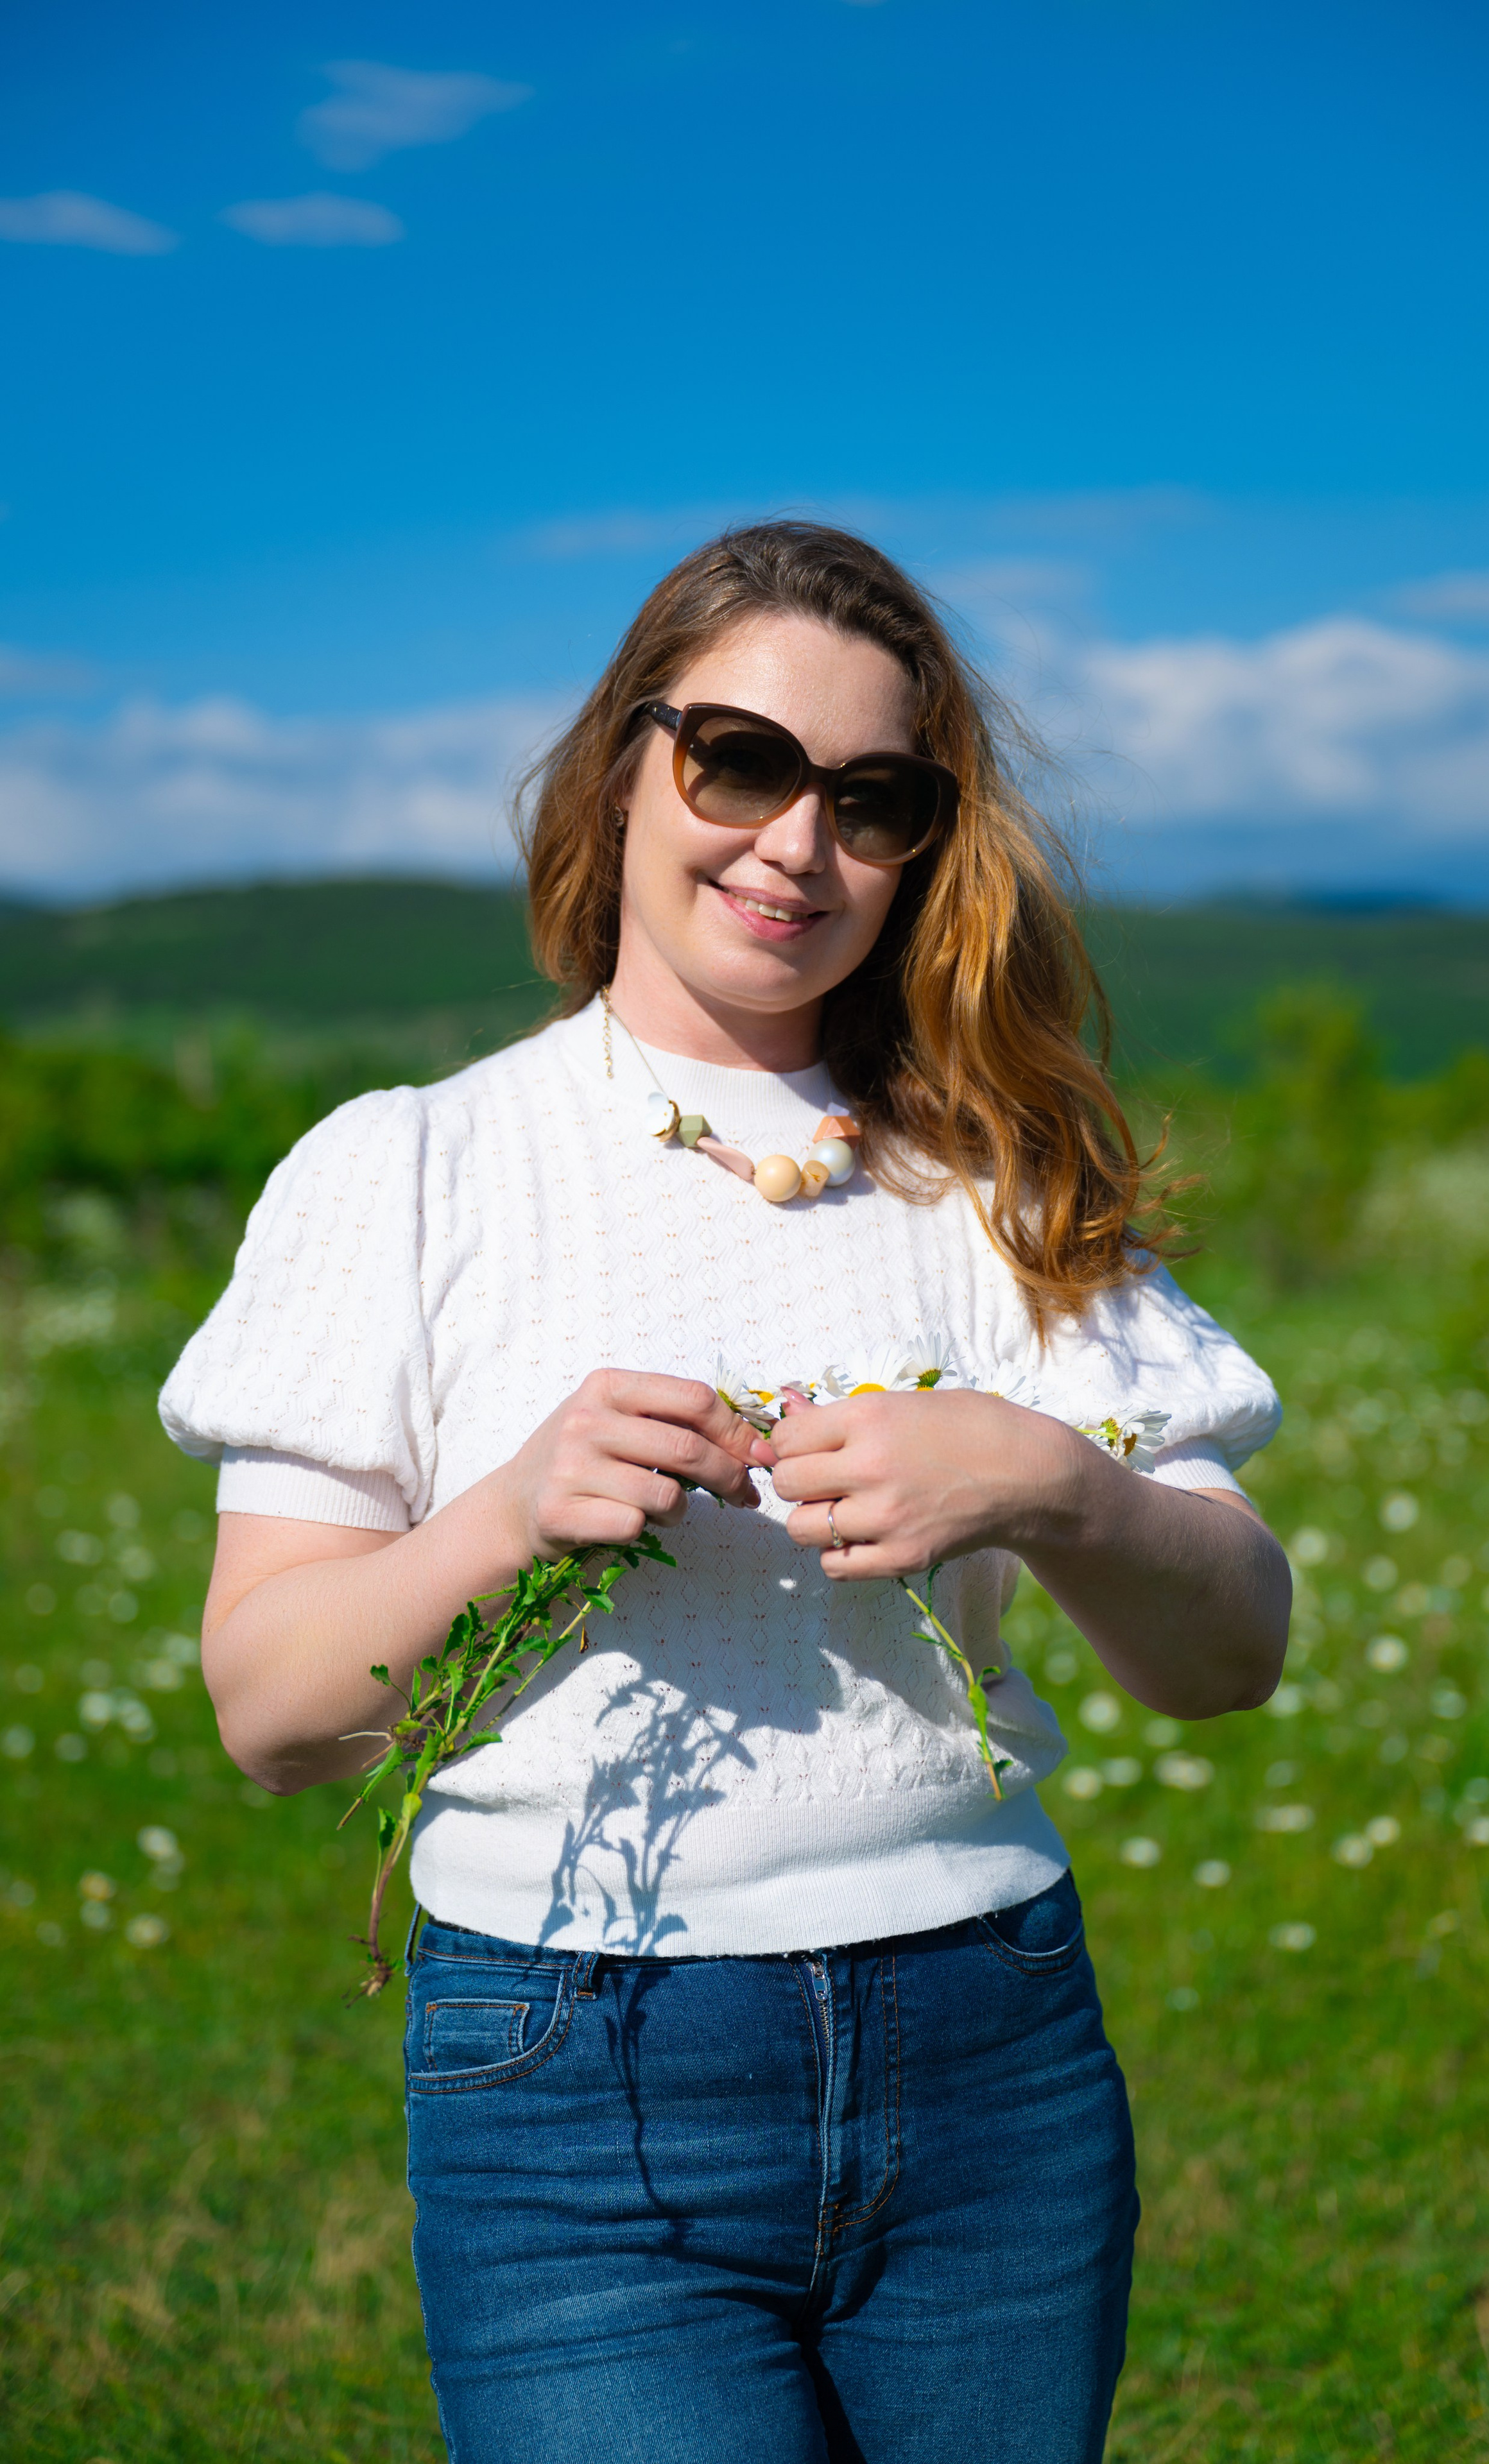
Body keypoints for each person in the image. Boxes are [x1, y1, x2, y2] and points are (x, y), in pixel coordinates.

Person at [160, 521, 1289, 2464]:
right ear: (626, 760)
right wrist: (507, 1513)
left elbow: (1230, 1655)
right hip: (570, 2064)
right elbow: (272, 1716)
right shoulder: (406, 1173)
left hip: (991, 2056)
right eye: (738, 761)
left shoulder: (1002, 1187)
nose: (795, 844)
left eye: (873, 799)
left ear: (928, 843)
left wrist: (1047, 1484)